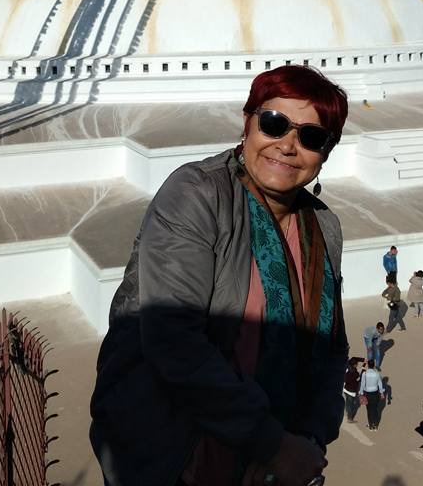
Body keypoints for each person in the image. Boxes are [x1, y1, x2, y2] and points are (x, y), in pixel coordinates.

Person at [90, 65, 350, 486]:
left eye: (311, 137)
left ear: (326, 151)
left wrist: (306, 441)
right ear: (247, 122)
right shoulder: (196, 195)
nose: (287, 146)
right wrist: (273, 445)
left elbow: (332, 347)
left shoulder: (324, 226)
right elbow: (175, 341)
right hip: (176, 455)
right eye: (274, 124)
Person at [359, 359, 384, 430]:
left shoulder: (365, 373)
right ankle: (375, 425)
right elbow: (380, 384)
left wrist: (361, 393)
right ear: (374, 365)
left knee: (369, 410)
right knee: (375, 409)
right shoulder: (377, 373)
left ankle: (370, 425)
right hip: (375, 393)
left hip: (368, 394)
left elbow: (362, 384)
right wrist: (381, 393)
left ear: (368, 365)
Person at [343, 358, 361, 422]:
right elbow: (358, 380)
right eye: (356, 364)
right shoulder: (356, 373)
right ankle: (350, 418)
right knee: (351, 404)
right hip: (351, 391)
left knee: (347, 401)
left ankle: (347, 410)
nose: (357, 364)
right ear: (354, 365)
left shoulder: (347, 370)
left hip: (345, 389)